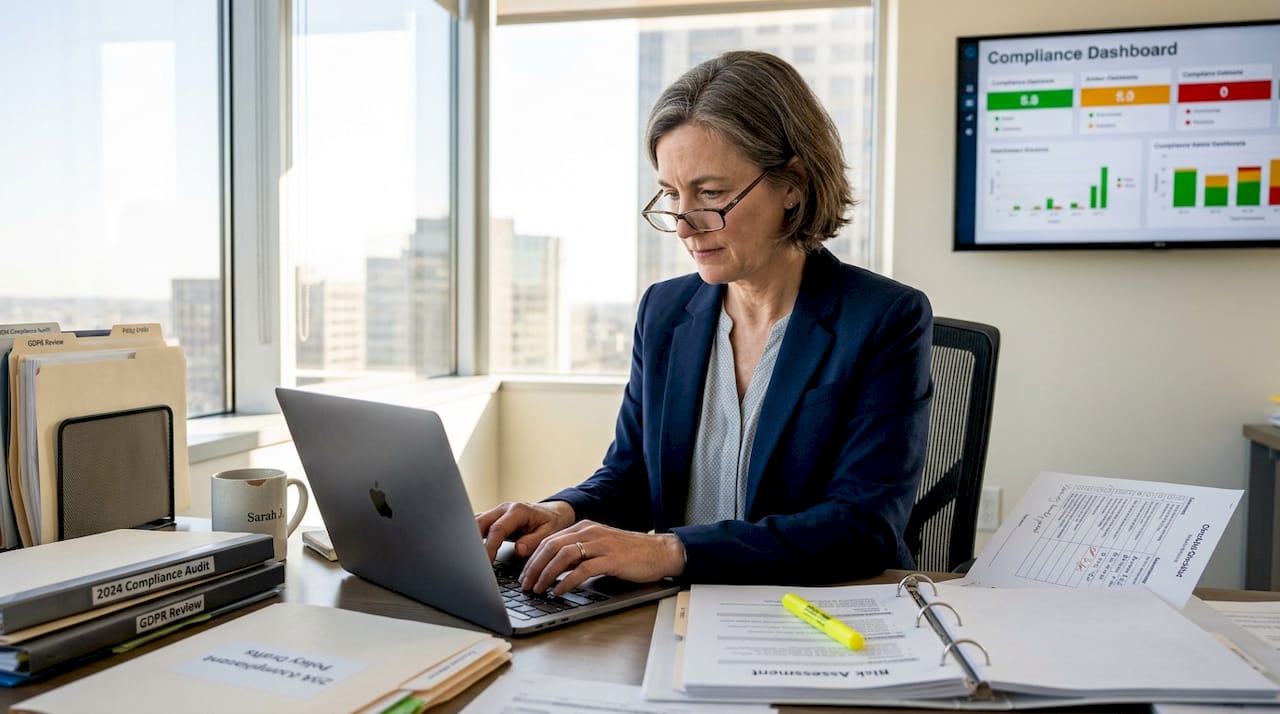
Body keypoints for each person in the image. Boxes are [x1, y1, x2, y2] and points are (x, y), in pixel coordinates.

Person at [476, 50, 932, 595]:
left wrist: (670, 550)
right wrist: (561, 512)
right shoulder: (664, 312)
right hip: (684, 613)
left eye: (711, 194)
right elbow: (630, 477)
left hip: (820, 612)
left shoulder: (884, 317)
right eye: (672, 195)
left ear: (792, 184)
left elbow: (865, 527)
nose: (686, 225)